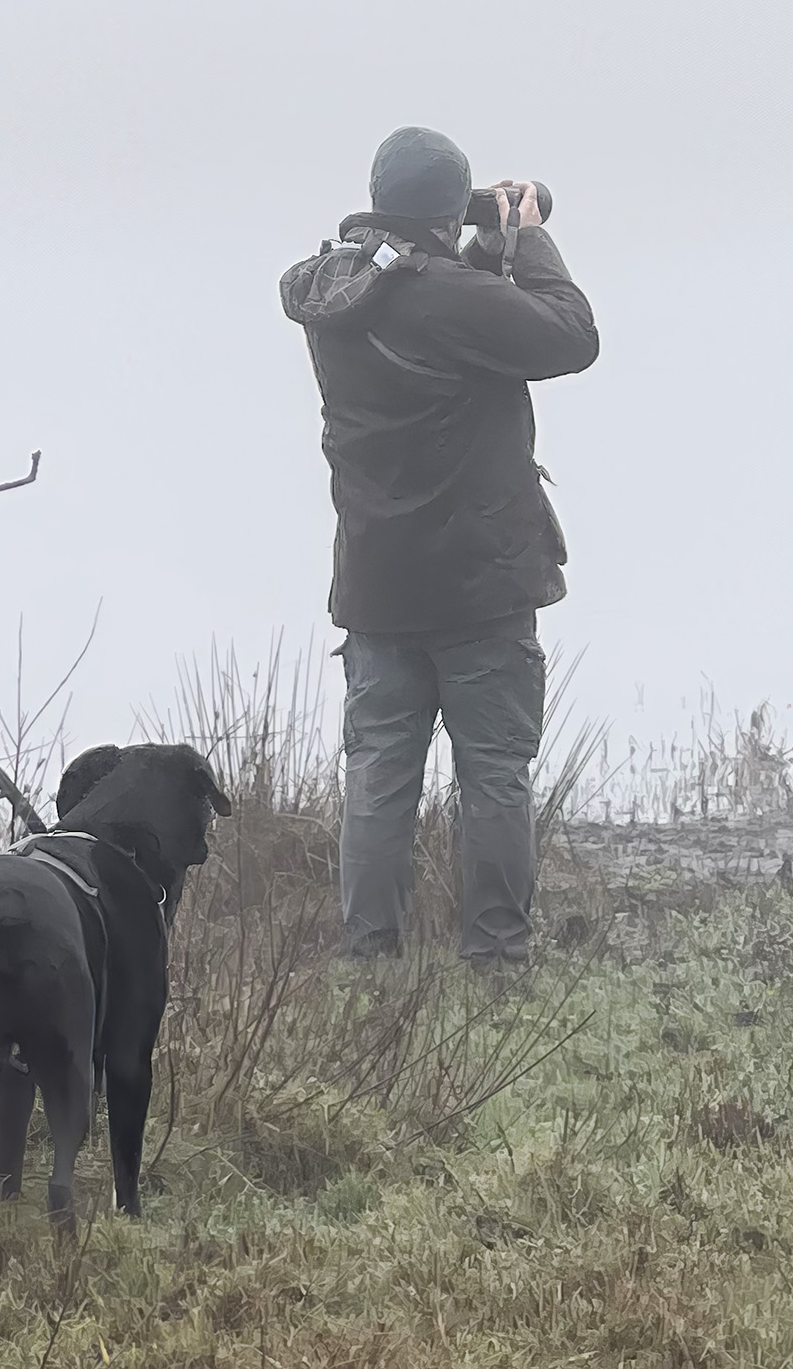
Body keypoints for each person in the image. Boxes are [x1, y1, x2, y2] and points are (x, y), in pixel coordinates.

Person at [279, 127, 599, 965]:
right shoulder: (449, 299)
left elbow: (441, 314)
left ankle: (367, 958)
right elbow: (569, 334)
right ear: (446, 207)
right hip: (479, 587)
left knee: (378, 774)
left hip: (378, 585)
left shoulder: (332, 293)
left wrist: (478, 246)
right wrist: (525, 237)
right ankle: (496, 958)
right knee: (494, 772)